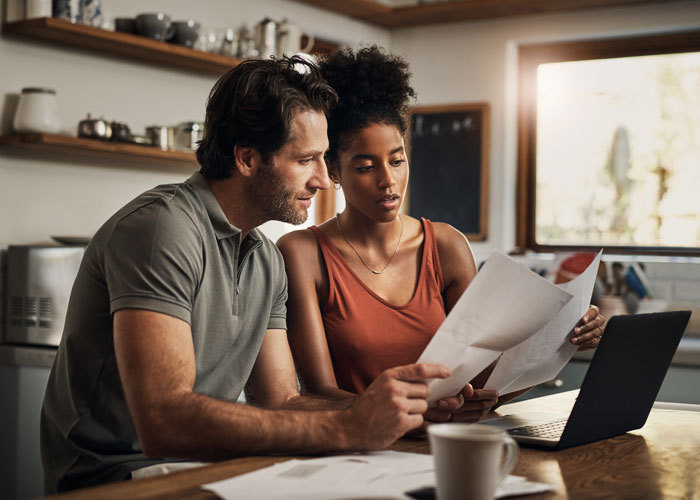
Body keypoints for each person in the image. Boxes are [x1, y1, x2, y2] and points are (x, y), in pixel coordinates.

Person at [40, 56, 451, 493]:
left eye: (323, 159)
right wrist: (347, 428)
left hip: (201, 468)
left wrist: (386, 411)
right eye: (306, 160)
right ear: (248, 158)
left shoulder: (264, 258)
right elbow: (164, 421)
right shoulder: (162, 230)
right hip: (114, 477)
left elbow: (283, 401)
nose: (323, 181)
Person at [277, 46, 605, 424]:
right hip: (358, 451)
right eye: (366, 167)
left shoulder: (446, 246)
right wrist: (415, 414)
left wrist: (564, 341)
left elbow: (484, 380)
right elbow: (319, 393)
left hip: (448, 444)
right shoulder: (302, 253)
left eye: (397, 161)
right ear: (333, 170)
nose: (389, 181)